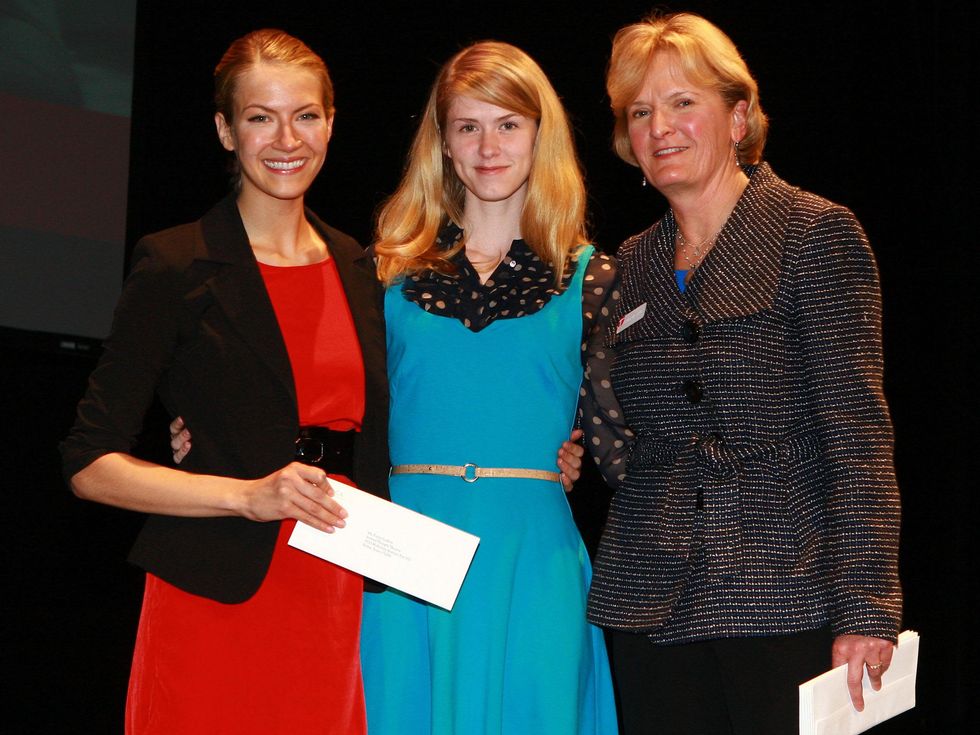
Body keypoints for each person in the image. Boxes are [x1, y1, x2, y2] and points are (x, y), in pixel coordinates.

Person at [579, 12, 902, 734]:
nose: (660, 127)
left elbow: (857, 435)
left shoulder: (813, 233)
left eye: (682, 102)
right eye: (640, 112)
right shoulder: (630, 263)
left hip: (786, 593)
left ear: (738, 116)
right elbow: (615, 419)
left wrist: (866, 607)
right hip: (650, 600)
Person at [59, 29, 389, 734]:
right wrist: (244, 495)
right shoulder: (177, 263)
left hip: (329, 591)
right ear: (225, 130)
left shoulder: (359, 266)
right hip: (214, 592)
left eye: (305, 115)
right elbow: (88, 464)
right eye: (260, 117)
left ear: (331, 124)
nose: (287, 139)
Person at [358, 41, 618, 735]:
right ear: (443, 142)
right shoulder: (383, 272)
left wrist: (575, 454)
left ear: (539, 135)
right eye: (468, 126)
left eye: (508, 124)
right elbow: (325, 398)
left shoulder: (595, 278)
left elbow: (631, 432)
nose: (488, 146)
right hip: (404, 553)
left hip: (530, 557)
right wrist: (208, 428)